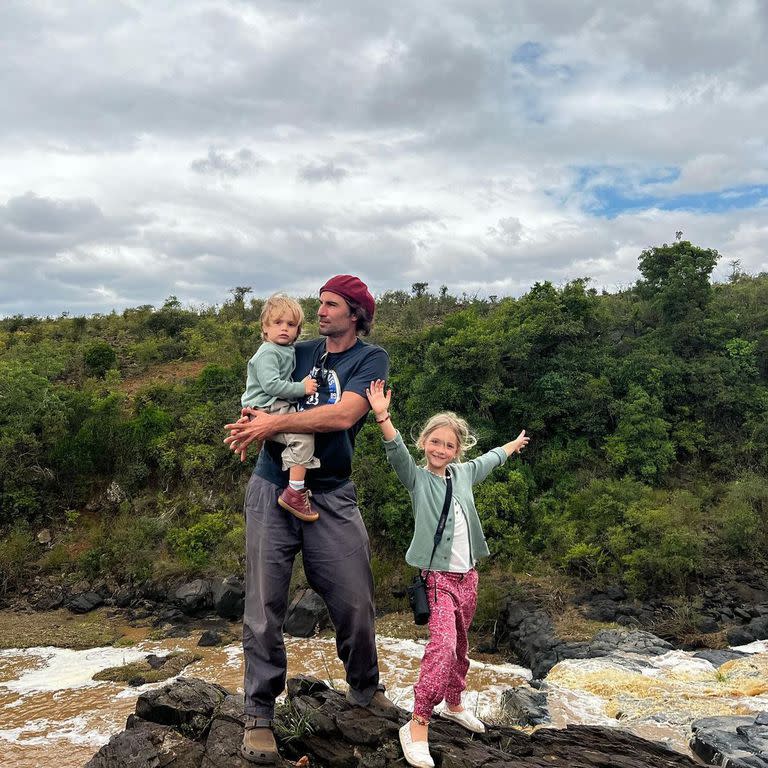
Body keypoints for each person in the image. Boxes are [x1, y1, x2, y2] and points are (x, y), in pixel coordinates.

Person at [224, 275, 396, 765]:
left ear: (356, 314)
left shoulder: (369, 359)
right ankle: (259, 715)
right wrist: (249, 418)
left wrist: (271, 423)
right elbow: (257, 391)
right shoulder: (293, 349)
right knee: (263, 605)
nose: (319, 312)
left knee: (355, 598)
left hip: (332, 494)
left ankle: (365, 689)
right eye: (318, 303)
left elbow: (343, 416)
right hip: (271, 486)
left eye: (331, 304)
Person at [365, 379, 529, 768]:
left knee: (460, 649)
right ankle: (418, 722)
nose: (441, 449)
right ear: (424, 442)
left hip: (468, 578)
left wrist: (513, 445)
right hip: (436, 581)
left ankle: (454, 703)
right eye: (435, 442)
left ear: (458, 450)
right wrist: (382, 415)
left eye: (449, 445)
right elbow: (395, 452)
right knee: (441, 648)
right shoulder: (418, 479)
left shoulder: (464, 474)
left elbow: (492, 458)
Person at [241, 293, 321, 522]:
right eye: (277, 323)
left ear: (298, 330)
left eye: (291, 324)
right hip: (266, 405)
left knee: (300, 427)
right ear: (265, 328)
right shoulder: (268, 351)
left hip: (272, 404)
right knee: (303, 436)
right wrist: (302, 388)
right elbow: (272, 385)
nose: (284, 328)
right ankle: (295, 491)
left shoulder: (285, 350)